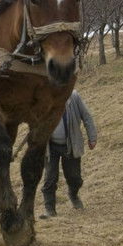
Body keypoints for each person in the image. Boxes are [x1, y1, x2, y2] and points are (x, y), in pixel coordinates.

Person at [41, 89, 98, 218]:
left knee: (75, 178)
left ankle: (73, 195)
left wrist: (92, 137)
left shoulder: (74, 97)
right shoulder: (43, 97)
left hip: (70, 145)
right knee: (50, 178)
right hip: (50, 147)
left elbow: (87, 116)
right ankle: (50, 209)